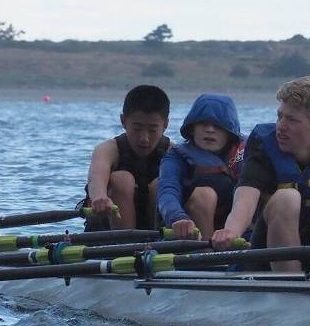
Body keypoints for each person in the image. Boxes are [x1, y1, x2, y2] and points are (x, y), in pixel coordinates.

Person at [211, 76, 310, 272]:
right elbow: (245, 201)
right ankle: (290, 285)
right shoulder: (264, 146)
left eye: (291, 120)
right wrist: (231, 231)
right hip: (264, 253)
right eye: (279, 116)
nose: (280, 126)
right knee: (286, 198)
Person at [83, 84, 171, 231]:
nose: (144, 138)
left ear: (166, 125)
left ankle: (157, 241)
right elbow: (96, 178)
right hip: (109, 229)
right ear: (123, 121)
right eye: (137, 129)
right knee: (122, 179)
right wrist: (99, 197)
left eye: (152, 130)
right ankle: (123, 242)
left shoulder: (173, 153)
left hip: (155, 230)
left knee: (161, 183)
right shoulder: (108, 149)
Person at [157, 93, 244, 239]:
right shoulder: (176, 157)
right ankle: (207, 257)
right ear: (192, 128)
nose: (210, 129)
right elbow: (167, 191)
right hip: (189, 228)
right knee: (204, 195)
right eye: (203, 124)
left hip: (237, 229)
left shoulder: (248, 154)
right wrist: (177, 218)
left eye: (218, 125)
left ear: (230, 133)